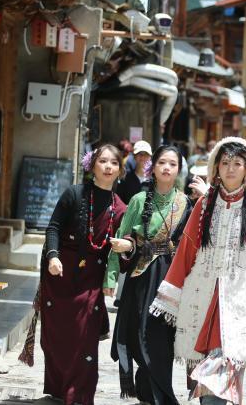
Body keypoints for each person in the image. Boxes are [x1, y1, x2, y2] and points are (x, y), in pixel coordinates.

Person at [148, 137, 246, 404]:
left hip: (238, 298)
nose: (231, 169)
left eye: (237, 164)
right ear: (216, 167)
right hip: (201, 294)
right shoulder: (204, 205)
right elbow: (187, 250)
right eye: (225, 163)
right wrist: (171, 294)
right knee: (204, 374)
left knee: (225, 367)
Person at [19, 145, 128, 405]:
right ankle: (59, 390)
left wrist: (121, 254)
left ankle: (78, 395)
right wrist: (52, 256)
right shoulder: (74, 194)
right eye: (103, 161)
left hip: (91, 279)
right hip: (60, 273)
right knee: (57, 337)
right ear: (92, 166)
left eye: (114, 162)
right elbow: (53, 227)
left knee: (85, 337)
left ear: (120, 170)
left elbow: (123, 249)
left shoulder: (120, 208)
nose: (108, 166)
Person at [103, 146, 193, 403]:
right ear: (152, 167)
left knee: (163, 338)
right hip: (142, 275)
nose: (167, 168)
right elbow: (121, 238)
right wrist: (110, 277)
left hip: (172, 276)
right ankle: (150, 393)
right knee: (140, 333)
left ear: (179, 170)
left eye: (173, 164)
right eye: (162, 162)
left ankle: (156, 394)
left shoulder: (185, 203)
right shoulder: (138, 200)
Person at [117, 140, 153, 204]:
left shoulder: (155, 179)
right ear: (134, 156)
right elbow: (119, 201)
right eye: (139, 154)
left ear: (150, 157)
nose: (142, 157)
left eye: (146, 154)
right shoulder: (125, 178)